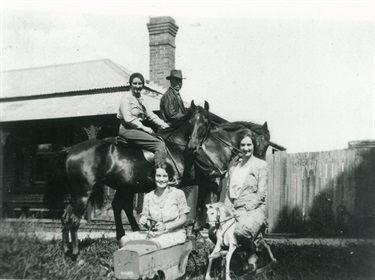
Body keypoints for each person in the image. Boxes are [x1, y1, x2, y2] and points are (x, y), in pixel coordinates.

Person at [119, 162, 190, 248]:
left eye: (165, 176)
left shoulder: (178, 194)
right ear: (154, 177)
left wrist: (165, 227)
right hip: (153, 233)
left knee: (152, 244)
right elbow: (146, 220)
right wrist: (144, 221)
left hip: (174, 233)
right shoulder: (148, 196)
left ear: (169, 177)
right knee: (124, 239)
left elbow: (183, 219)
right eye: (158, 176)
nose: (161, 179)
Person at [224, 131, 269, 254]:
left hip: (254, 209)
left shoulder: (261, 165)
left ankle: (251, 257)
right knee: (215, 232)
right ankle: (236, 258)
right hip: (234, 209)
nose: (246, 148)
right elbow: (228, 193)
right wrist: (227, 212)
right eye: (242, 145)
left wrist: (245, 209)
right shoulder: (233, 168)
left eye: (249, 145)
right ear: (238, 147)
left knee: (240, 231)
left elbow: (261, 194)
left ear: (254, 146)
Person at [118, 72, 169, 165]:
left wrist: (165, 125)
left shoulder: (141, 99)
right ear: (130, 84)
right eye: (135, 83)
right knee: (159, 145)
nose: (137, 86)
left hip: (137, 129)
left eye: (140, 83)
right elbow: (128, 119)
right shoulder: (126, 98)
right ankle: (159, 174)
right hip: (127, 129)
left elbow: (151, 115)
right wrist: (144, 128)